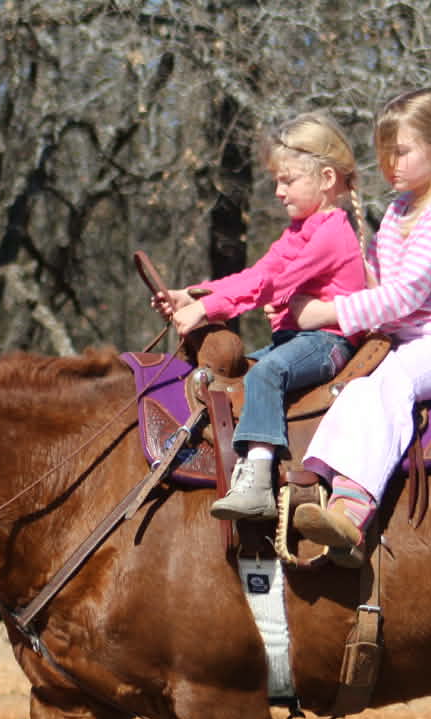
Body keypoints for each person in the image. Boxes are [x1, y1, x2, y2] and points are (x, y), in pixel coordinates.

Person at [287, 88, 431, 559]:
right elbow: (375, 281)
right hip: (403, 340)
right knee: (352, 387)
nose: (388, 164)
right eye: (383, 153)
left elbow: (403, 297)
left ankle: (354, 507)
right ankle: (317, 481)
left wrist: (326, 312)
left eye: (399, 151)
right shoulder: (399, 211)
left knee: (392, 381)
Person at [151, 114, 371, 520]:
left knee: (265, 374)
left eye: (287, 180)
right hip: (296, 340)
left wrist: (206, 310)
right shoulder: (298, 232)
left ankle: (256, 483)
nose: (278, 191)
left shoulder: (331, 234)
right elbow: (255, 275)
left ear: (326, 178)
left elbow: (272, 285)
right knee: (239, 375)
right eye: (276, 181)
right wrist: (193, 294)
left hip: (328, 342)